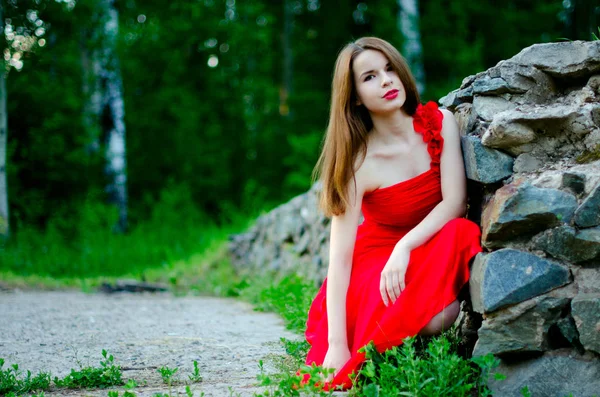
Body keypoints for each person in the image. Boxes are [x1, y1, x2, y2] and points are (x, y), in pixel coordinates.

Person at [303, 36, 483, 390]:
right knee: (436, 318)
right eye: (369, 77)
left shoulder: (439, 122)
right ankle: (388, 345)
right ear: (354, 96)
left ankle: (400, 334)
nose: (386, 80)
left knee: (460, 234)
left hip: (426, 240)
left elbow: (455, 203)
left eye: (388, 69)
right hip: (374, 259)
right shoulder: (358, 164)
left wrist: (404, 247)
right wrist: (338, 345)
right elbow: (339, 260)